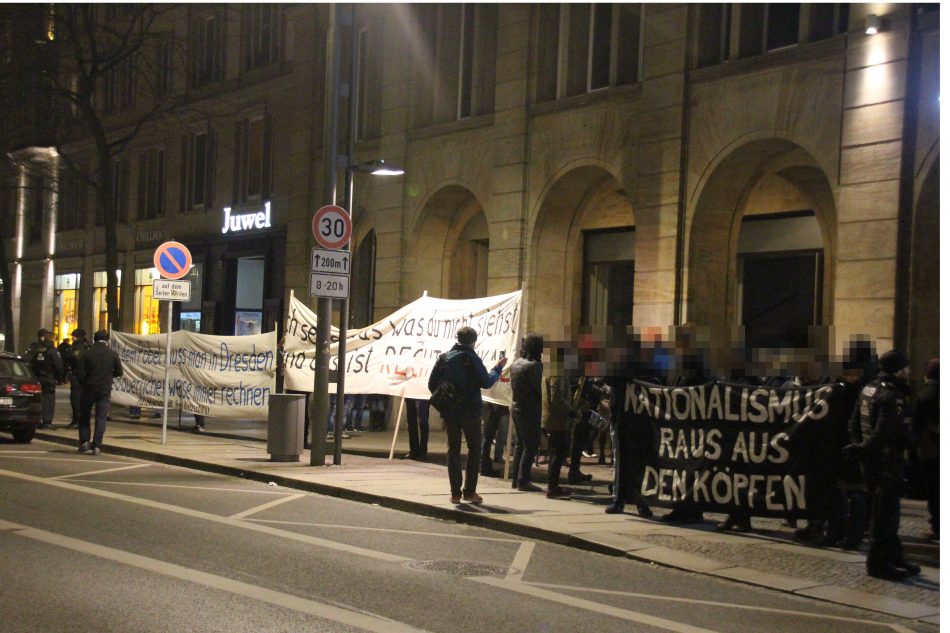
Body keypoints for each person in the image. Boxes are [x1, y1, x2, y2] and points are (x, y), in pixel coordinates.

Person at [844, 350, 920, 580]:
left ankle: (894, 555)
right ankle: (878, 564)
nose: (908, 371)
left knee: (889, 511)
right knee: (884, 514)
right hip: (886, 461)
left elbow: (854, 423)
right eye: (905, 367)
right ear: (898, 369)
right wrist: (909, 439)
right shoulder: (891, 395)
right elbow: (884, 432)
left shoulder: (868, 389)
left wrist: (859, 448)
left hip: (870, 461)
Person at [428, 326, 506, 505]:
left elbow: (432, 384)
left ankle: (455, 493)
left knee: (453, 450)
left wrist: (447, 395)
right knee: (474, 450)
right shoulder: (471, 358)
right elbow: (486, 382)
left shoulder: (444, 358)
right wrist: (498, 368)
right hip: (470, 410)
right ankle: (469, 492)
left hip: (450, 412)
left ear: (457, 338)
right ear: (474, 340)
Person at [76, 330, 123, 456]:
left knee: (85, 415)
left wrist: (85, 382)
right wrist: (108, 376)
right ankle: (97, 445)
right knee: (101, 417)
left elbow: (79, 373)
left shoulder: (87, 354)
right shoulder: (112, 354)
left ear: (94, 339)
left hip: (89, 387)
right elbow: (119, 372)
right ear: (106, 340)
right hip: (104, 389)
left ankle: (85, 442)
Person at [509, 334, 543, 492]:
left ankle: (515, 478)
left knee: (519, 444)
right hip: (529, 409)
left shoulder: (516, 364)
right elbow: (538, 388)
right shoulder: (534, 366)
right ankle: (524, 480)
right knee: (530, 445)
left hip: (516, 406)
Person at [541, 346, 576, 499]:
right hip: (557, 419)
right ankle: (552, 486)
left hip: (553, 418)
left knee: (556, 452)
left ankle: (553, 485)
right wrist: (571, 410)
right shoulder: (557, 372)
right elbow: (556, 397)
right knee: (558, 452)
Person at [914, 359, 938, 541]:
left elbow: (918, 425)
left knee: (935, 489)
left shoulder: (925, 396)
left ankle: (937, 525)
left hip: (932, 450)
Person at [27, 328, 64, 429]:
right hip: (49, 378)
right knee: (49, 400)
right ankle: (47, 421)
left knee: (38, 399)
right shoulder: (52, 350)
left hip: (37, 377)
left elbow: (28, 361)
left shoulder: (34, 348)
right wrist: (60, 379)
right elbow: (59, 366)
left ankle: (37, 419)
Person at [64, 329, 90, 430]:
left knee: (76, 399)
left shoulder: (79, 346)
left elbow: (76, 358)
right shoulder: (86, 345)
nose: (71, 338)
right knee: (81, 399)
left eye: (73, 336)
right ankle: (80, 420)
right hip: (84, 376)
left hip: (78, 376)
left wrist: (68, 356)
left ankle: (77, 421)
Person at [480, 403, 507, 476]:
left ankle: (484, 465)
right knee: (487, 438)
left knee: (487, 438)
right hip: (493, 407)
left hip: (492, 407)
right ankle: (484, 467)